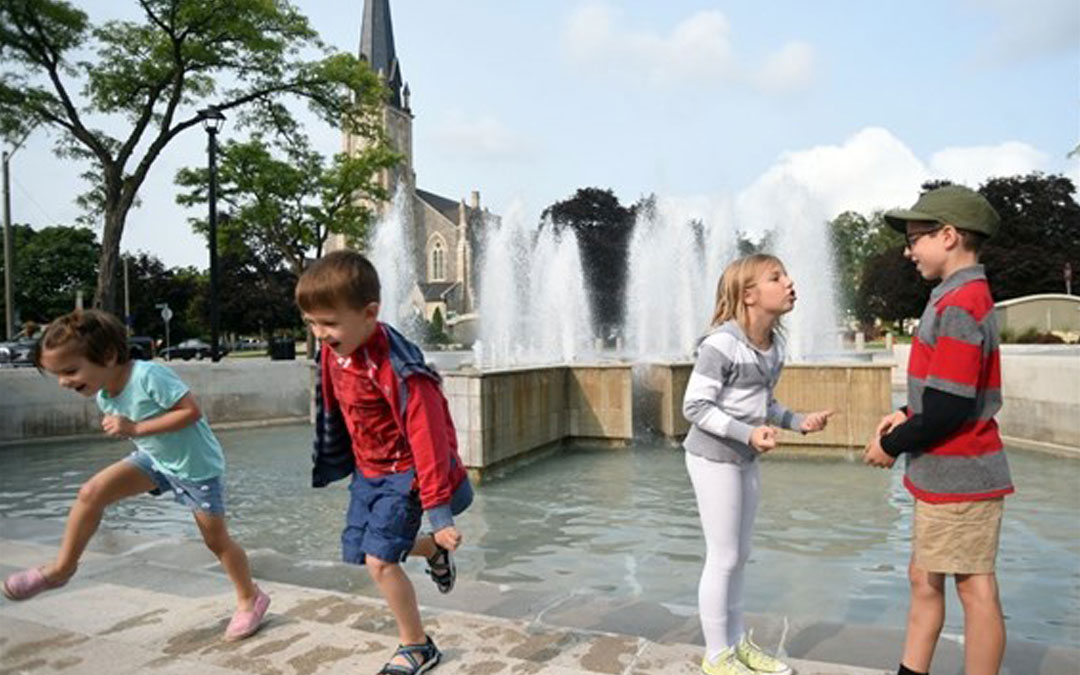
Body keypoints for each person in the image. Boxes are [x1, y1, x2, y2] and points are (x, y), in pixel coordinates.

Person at [2, 309, 269, 641]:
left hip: (196, 467)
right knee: (91, 493)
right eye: (57, 374)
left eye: (70, 371)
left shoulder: (148, 376)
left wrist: (135, 427)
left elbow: (190, 412)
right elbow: (147, 436)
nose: (64, 382)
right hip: (155, 460)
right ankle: (61, 569)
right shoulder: (104, 393)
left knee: (216, 540)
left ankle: (250, 598)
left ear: (109, 355)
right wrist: (137, 433)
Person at [296, 250, 473, 675]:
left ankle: (417, 645)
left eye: (330, 324)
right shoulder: (335, 350)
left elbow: (428, 438)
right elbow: (336, 409)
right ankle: (429, 550)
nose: (320, 334)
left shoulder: (400, 368)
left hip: (406, 473)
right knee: (361, 549)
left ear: (370, 313)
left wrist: (438, 509)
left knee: (380, 561)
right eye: (313, 324)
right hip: (369, 470)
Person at [865, 185, 1013, 675]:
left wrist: (891, 444)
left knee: (974, 586)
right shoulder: (956, 296)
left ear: (948, 236)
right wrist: (908, 412)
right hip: (949, 473)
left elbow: (950, 409)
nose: (909, 251)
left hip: (961, 473)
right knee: (924, 576)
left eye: (916, 239)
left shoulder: (959, 304)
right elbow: (948, 388)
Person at [682, 254, 833, 675]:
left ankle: (735, 642)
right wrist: (748, 433)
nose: (789, 282)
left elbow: (762, 404)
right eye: (776, 277)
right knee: (723, 556)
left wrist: (798, 422)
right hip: (712, 458)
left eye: (786, 274)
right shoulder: (722, 344)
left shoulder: (773, 347)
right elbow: (694, 406)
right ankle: (716, 657)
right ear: (749, 295)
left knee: (740, 555)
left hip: (743, 458)